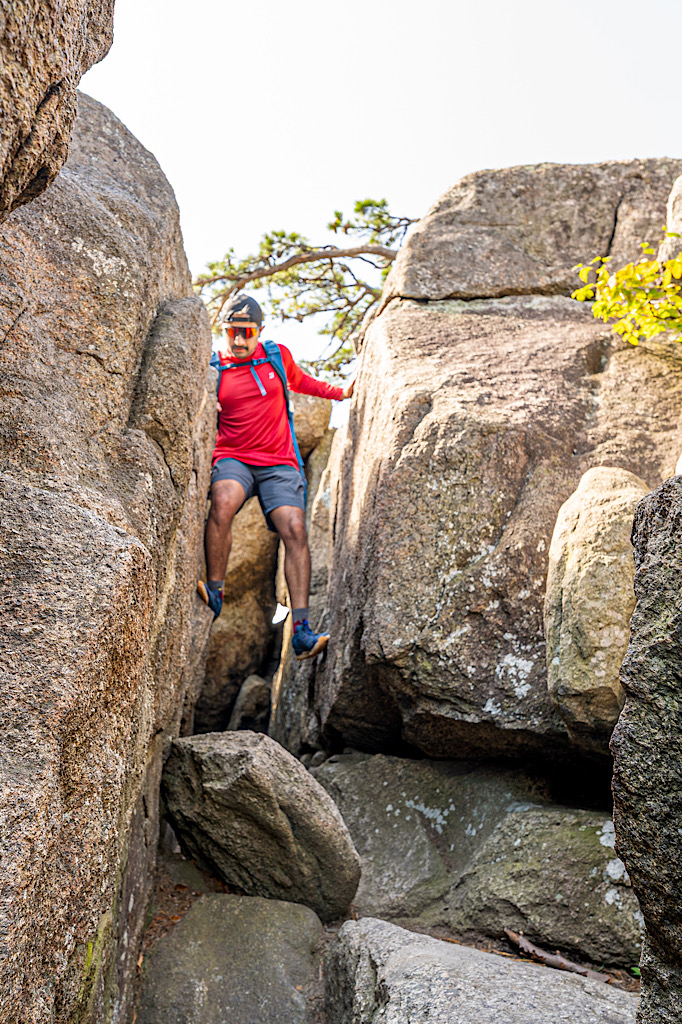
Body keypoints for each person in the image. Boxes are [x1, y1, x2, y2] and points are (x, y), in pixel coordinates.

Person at [197, 293, 353, 661]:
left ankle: (301, 631)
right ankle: (216, 590)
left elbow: (303, 382)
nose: (238, 339)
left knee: (295, 528)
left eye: (246, 332)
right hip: (234, 456)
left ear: (260, 331)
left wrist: (341, 392)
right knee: (223, 501)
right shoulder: (215, 367)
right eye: (232, 332)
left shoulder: (275, 356)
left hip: (279, 462)